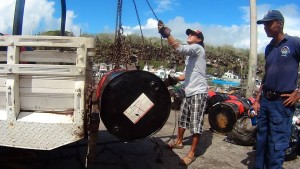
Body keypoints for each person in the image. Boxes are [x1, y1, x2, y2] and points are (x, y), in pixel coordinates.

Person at [253, 10, 300, 169]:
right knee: (261, 142)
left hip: (282, 103)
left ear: (279, 23)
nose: (265, 27)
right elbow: (266, 77)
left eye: (268, 23)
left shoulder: (294, 43)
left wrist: (298, 92)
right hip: (265, 101)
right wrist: (257, 100)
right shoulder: (268, 48)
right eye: (264, 24)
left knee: (276, 144)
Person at [158, 20, 208, 166]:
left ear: (199, 39)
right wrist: (172, 80)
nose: (190, 35)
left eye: (193, 34)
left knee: (195, 124)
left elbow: (178, 47)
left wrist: (167, 34)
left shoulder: (198, 49)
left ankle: (191, 154)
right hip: (189, 92)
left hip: (199, 92)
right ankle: (179, 142)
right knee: (182, 119)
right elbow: (186, 75)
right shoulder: (191, 56)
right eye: (189, 33)